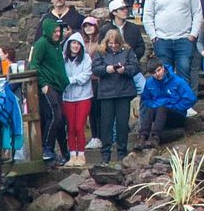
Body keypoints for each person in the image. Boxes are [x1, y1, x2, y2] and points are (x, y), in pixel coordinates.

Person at [143, 0, 204, 89]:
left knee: (184, 74)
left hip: (184, 40)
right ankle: (166, 105)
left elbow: (198, 13)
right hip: (162, 40)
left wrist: (193, 34)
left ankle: (184, 106)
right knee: (164, 75)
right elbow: (148, 15)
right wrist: (153, 36)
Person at [90, 28, 139, 163]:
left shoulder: (128, 51)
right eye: (111, 43)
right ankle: (105, 153)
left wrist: (125, 70)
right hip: (106, 93)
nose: (113, 46)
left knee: (122, 124)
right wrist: (107, 69)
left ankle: (121, 152)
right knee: (106, 124)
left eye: (116, 43)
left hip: (124, 92)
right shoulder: (101, 52)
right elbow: (95, 69)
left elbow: (135, 67)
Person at [30, 18, 68, 164]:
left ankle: (62, 152)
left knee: (60, 119)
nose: (58, 34)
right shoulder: (42, 44)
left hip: (58, 86)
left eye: (59, 31)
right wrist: (43, 83)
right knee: (54, 116)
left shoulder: (57, 45)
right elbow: (34, 64)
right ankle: (46, 148)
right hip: (47, 86)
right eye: (55, 31)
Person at [136, 61, 196, 149]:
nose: (157, 74)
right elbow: (146, 99)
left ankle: (155, 138)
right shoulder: (149, 83)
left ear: (163, 68)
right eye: (153, 73)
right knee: (151, 107)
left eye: (158, 70)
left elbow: (191, 98)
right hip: (158, 114)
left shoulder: (177, 81)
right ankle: (142, 137)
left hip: (176, 115)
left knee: (162, 107)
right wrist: (154, 104)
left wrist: (174, 106)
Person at [60, 32, 93, 167]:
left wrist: (69, 80)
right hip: (67, 97)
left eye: (78, 44)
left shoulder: (86, 59)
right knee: (71, 127)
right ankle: (72, 155)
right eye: (73, 43)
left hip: (83, 96)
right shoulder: (63, 59)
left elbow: (85, 76)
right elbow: (60, 74)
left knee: (79, 126)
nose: (75, 46)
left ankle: (81, 154)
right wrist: (65, 81)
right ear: (69, 45)